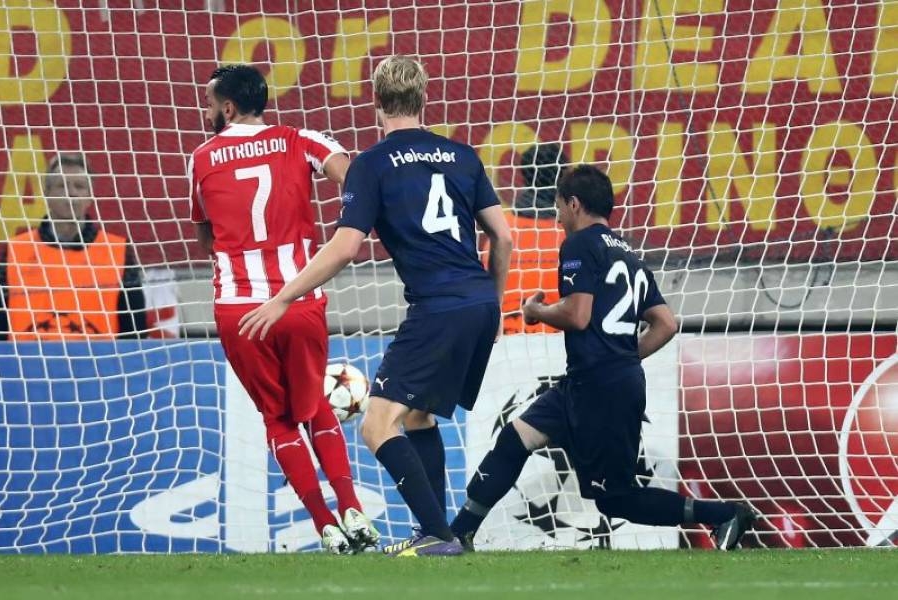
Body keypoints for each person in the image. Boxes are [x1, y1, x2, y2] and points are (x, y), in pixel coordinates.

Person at [238, 55, 513, 557]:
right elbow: (503, 236)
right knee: (418, 417)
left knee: (375, 424)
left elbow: (346, 248)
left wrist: (283, 297)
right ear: (424, 98)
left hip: (437, 306)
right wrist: (494, 304)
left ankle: (439, 536)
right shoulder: (463, 155)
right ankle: (437, 532)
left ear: (377, 103)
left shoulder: (372, 164)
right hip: (478, 300)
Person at [450, 165, 759, 551]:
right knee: (514, 439)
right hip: (588, 383)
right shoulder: (629, 254)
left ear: (574, 204)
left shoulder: (579, 245)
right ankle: (458, 533)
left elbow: (577, 315)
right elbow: (665, 323)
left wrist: (536, 312)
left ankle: (723, 514)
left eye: (558, 208)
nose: (557, 218)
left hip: (598, 388)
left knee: (617, 499)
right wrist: (624, 358)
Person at [188, 64, 378, 555]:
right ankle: (351, 505)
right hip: (298, 299)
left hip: (239, 309)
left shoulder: (202, 158)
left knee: (278, 419)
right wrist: (346, 227)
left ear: (228, 107)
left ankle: (324, 525)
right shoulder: (299, 139)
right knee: (314, 406)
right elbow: (353, 177)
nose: (207, 113)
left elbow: (206, 235)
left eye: (210, 104)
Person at [0, 153, 146, 341]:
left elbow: (135, 331)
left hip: (99, 359)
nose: (71, 193)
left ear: (90, 196)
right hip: (28, 359)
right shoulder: (15, 250)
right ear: (46, 194)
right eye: (62, 186)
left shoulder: (118, 251)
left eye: (79, 186)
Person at [499, 142, 568, 335]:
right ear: (562, 178)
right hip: (559, 338)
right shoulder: (571, 235)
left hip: (506, 336)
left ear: (524, 175)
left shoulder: (500, 232)